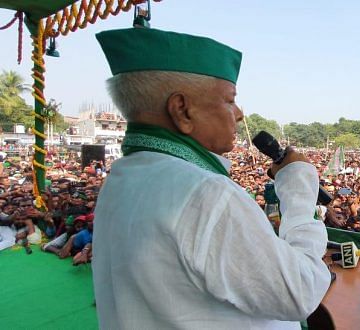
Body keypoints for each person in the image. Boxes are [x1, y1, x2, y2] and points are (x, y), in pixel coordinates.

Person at [92, 28, 331, 329]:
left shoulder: (122, 178)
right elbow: (300, 291)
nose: (240, 113)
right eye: (230, 100)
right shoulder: (204, 194)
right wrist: (298, 189)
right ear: (182, 110)